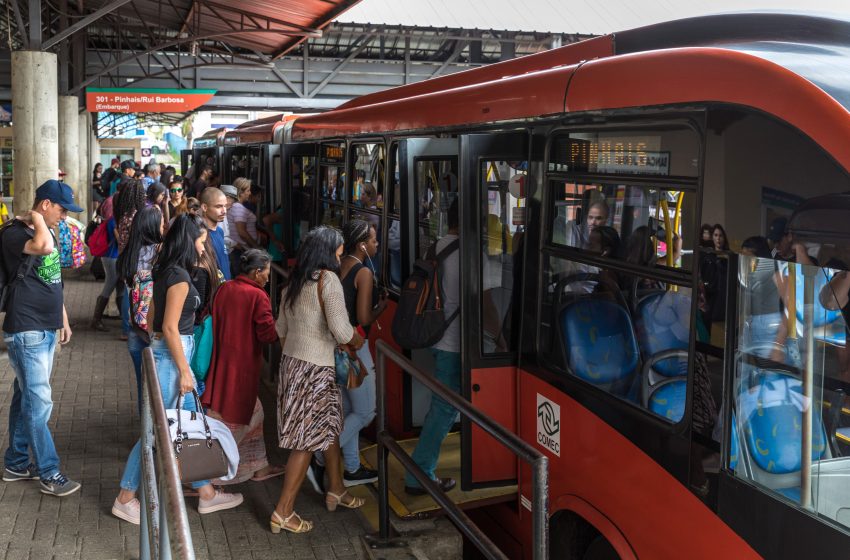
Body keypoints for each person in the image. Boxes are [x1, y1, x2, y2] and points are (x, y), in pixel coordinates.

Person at [112, 214, 243, 525]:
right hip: (173, 357)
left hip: (167, 353)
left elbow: (153, 318)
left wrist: (162, 344)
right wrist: (185, 370)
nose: (203, 246)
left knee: (185, 424)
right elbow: (170, 326)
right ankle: (125, 497)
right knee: (157, 430)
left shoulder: (166, 271)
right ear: (188, 241)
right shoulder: (181, 277)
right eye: (200, 241)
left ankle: (206, 492)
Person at [272, 226, 365, 534]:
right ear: (328, 251)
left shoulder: (293, 284)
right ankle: (283, 511)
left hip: (293, 366)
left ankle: (336, 488)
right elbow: (341, 330)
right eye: (339, 249)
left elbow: (280, 330)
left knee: (329, 427)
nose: (342, 253)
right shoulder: (329, 281)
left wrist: (299, 356)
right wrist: (357, 340)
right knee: (306, 441)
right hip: (316, 370)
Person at [2, 179, 81, 496]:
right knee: (39, 402)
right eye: (61, 210)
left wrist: (62, 317)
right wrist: (31, 217)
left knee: (27, 396)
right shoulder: (13, 234)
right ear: (45, 204)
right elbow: (45, 248)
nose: (64, 217)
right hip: (26, 328)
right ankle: (49, 472)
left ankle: (16, 463)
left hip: (45, 326)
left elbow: (53, 277)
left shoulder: (45, 231)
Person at [202, 249, 284, 484]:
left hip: (220, 361)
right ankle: (208, 477)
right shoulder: (258, 296)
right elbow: (268, 334)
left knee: (254, 414)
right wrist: (284, 323)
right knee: (242, 417)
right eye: (266, 273)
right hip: (243, 367)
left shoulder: (225, 288)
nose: (268, 278)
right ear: (257, 272)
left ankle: (259, 467)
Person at [403, 199, 460, 496]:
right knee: (445, 408)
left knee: (446, 407)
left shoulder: (437, 246)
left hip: (438, 337)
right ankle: (419, 474)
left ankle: (421, 471)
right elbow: (486, 304)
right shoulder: (468, 252)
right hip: (455, 344)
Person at [333, 220, 388, 486]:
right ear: (362, 245)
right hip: (354, 346)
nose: (377, 245)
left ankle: (352, 468)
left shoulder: (338, 265)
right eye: (374, 241)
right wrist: (383, 307)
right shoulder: (362, 272)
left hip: (335, 348)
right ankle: (320, 456)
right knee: (366, 412)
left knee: (349, 411)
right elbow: (364, 317)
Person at [117, 207, 164, 411]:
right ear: (154, 226)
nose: (164, 226)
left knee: (143, 386)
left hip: (136, 329)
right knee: (160, 389)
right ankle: (157, 438)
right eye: (162, 223)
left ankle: (145, 436)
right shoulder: (161, 253)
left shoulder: (128, 253)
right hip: (157, 332)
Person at [227, 178, 261, 275]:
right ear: (241, 192)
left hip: (239, 250)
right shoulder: (238, 208)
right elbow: (242, 232)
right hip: (241, 251)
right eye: (248, 190)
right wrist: (256, 247)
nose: (250, 193)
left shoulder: (235, 206)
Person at [200, 187, 232, 280]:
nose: (224, 211)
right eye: (218, 206)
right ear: (204, 207)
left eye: (225, 206)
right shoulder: (199, 235)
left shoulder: (220, 231)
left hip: (225, 288)